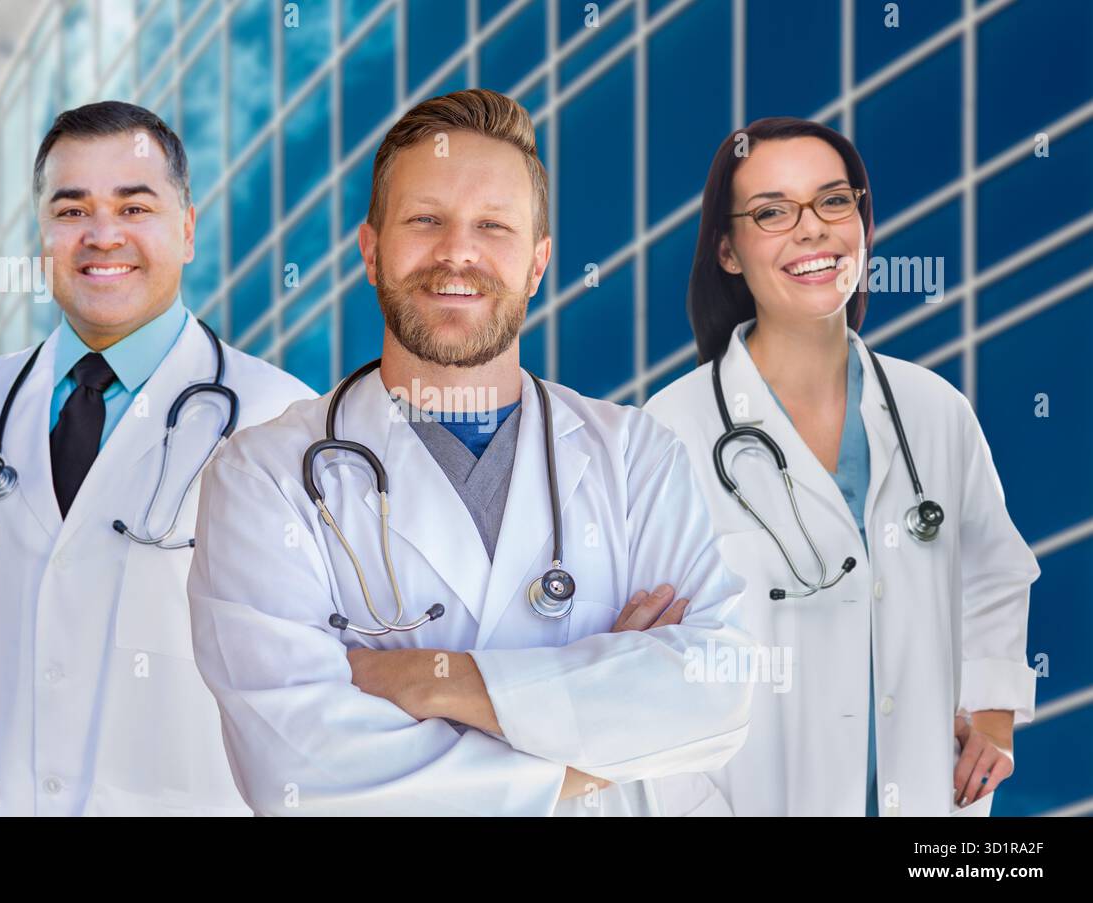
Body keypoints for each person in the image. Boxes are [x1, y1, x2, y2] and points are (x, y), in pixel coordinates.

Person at [187, 88, 753, 816]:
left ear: (539, 262)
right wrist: (598, 744)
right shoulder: (263, 477)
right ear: (370, 249)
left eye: (493, 225)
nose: (457, 252)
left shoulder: (636, 456)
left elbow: (720, 691)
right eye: (426, 221)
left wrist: (428, 681)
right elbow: (302, 776)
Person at [0, 101, 315, 815]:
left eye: (135, 209)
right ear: (42, 233)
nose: (103, 237)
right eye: (72, 212)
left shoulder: (281, 422)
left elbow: (321, 699)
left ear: (187, 229)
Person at [643, 117, 1039, 816]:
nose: (813, 229)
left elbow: (994, 570)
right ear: (728, 251)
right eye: (772, 211)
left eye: (833, 201)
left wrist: (994, 716)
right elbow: (641, 665)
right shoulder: (671, 430)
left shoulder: (932, 409)